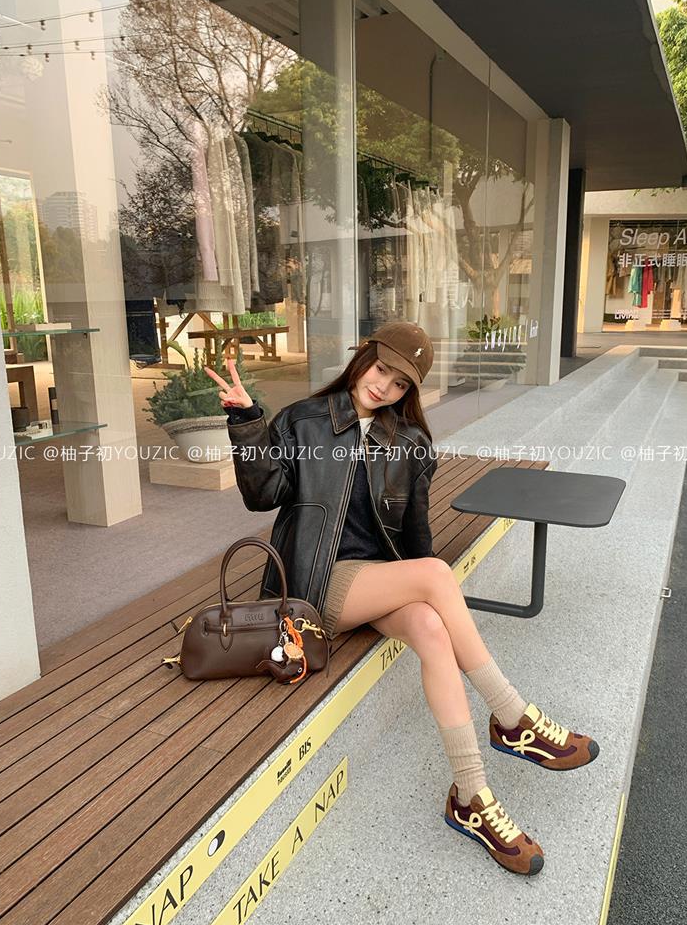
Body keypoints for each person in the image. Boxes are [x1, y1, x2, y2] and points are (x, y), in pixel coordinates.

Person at [204, 321, 599, 877]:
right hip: (314, 587)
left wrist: (427, 594)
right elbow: (263, 494)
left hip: (375, 582)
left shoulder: (409, 443)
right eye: (380, 369)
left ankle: (471, 797)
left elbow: (415, 534)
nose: (383, 386)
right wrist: (247, 421)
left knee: (433, 628)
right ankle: (513, 716)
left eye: (399, 383)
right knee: (435, 576)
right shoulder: (303, 420)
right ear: (362, 357)